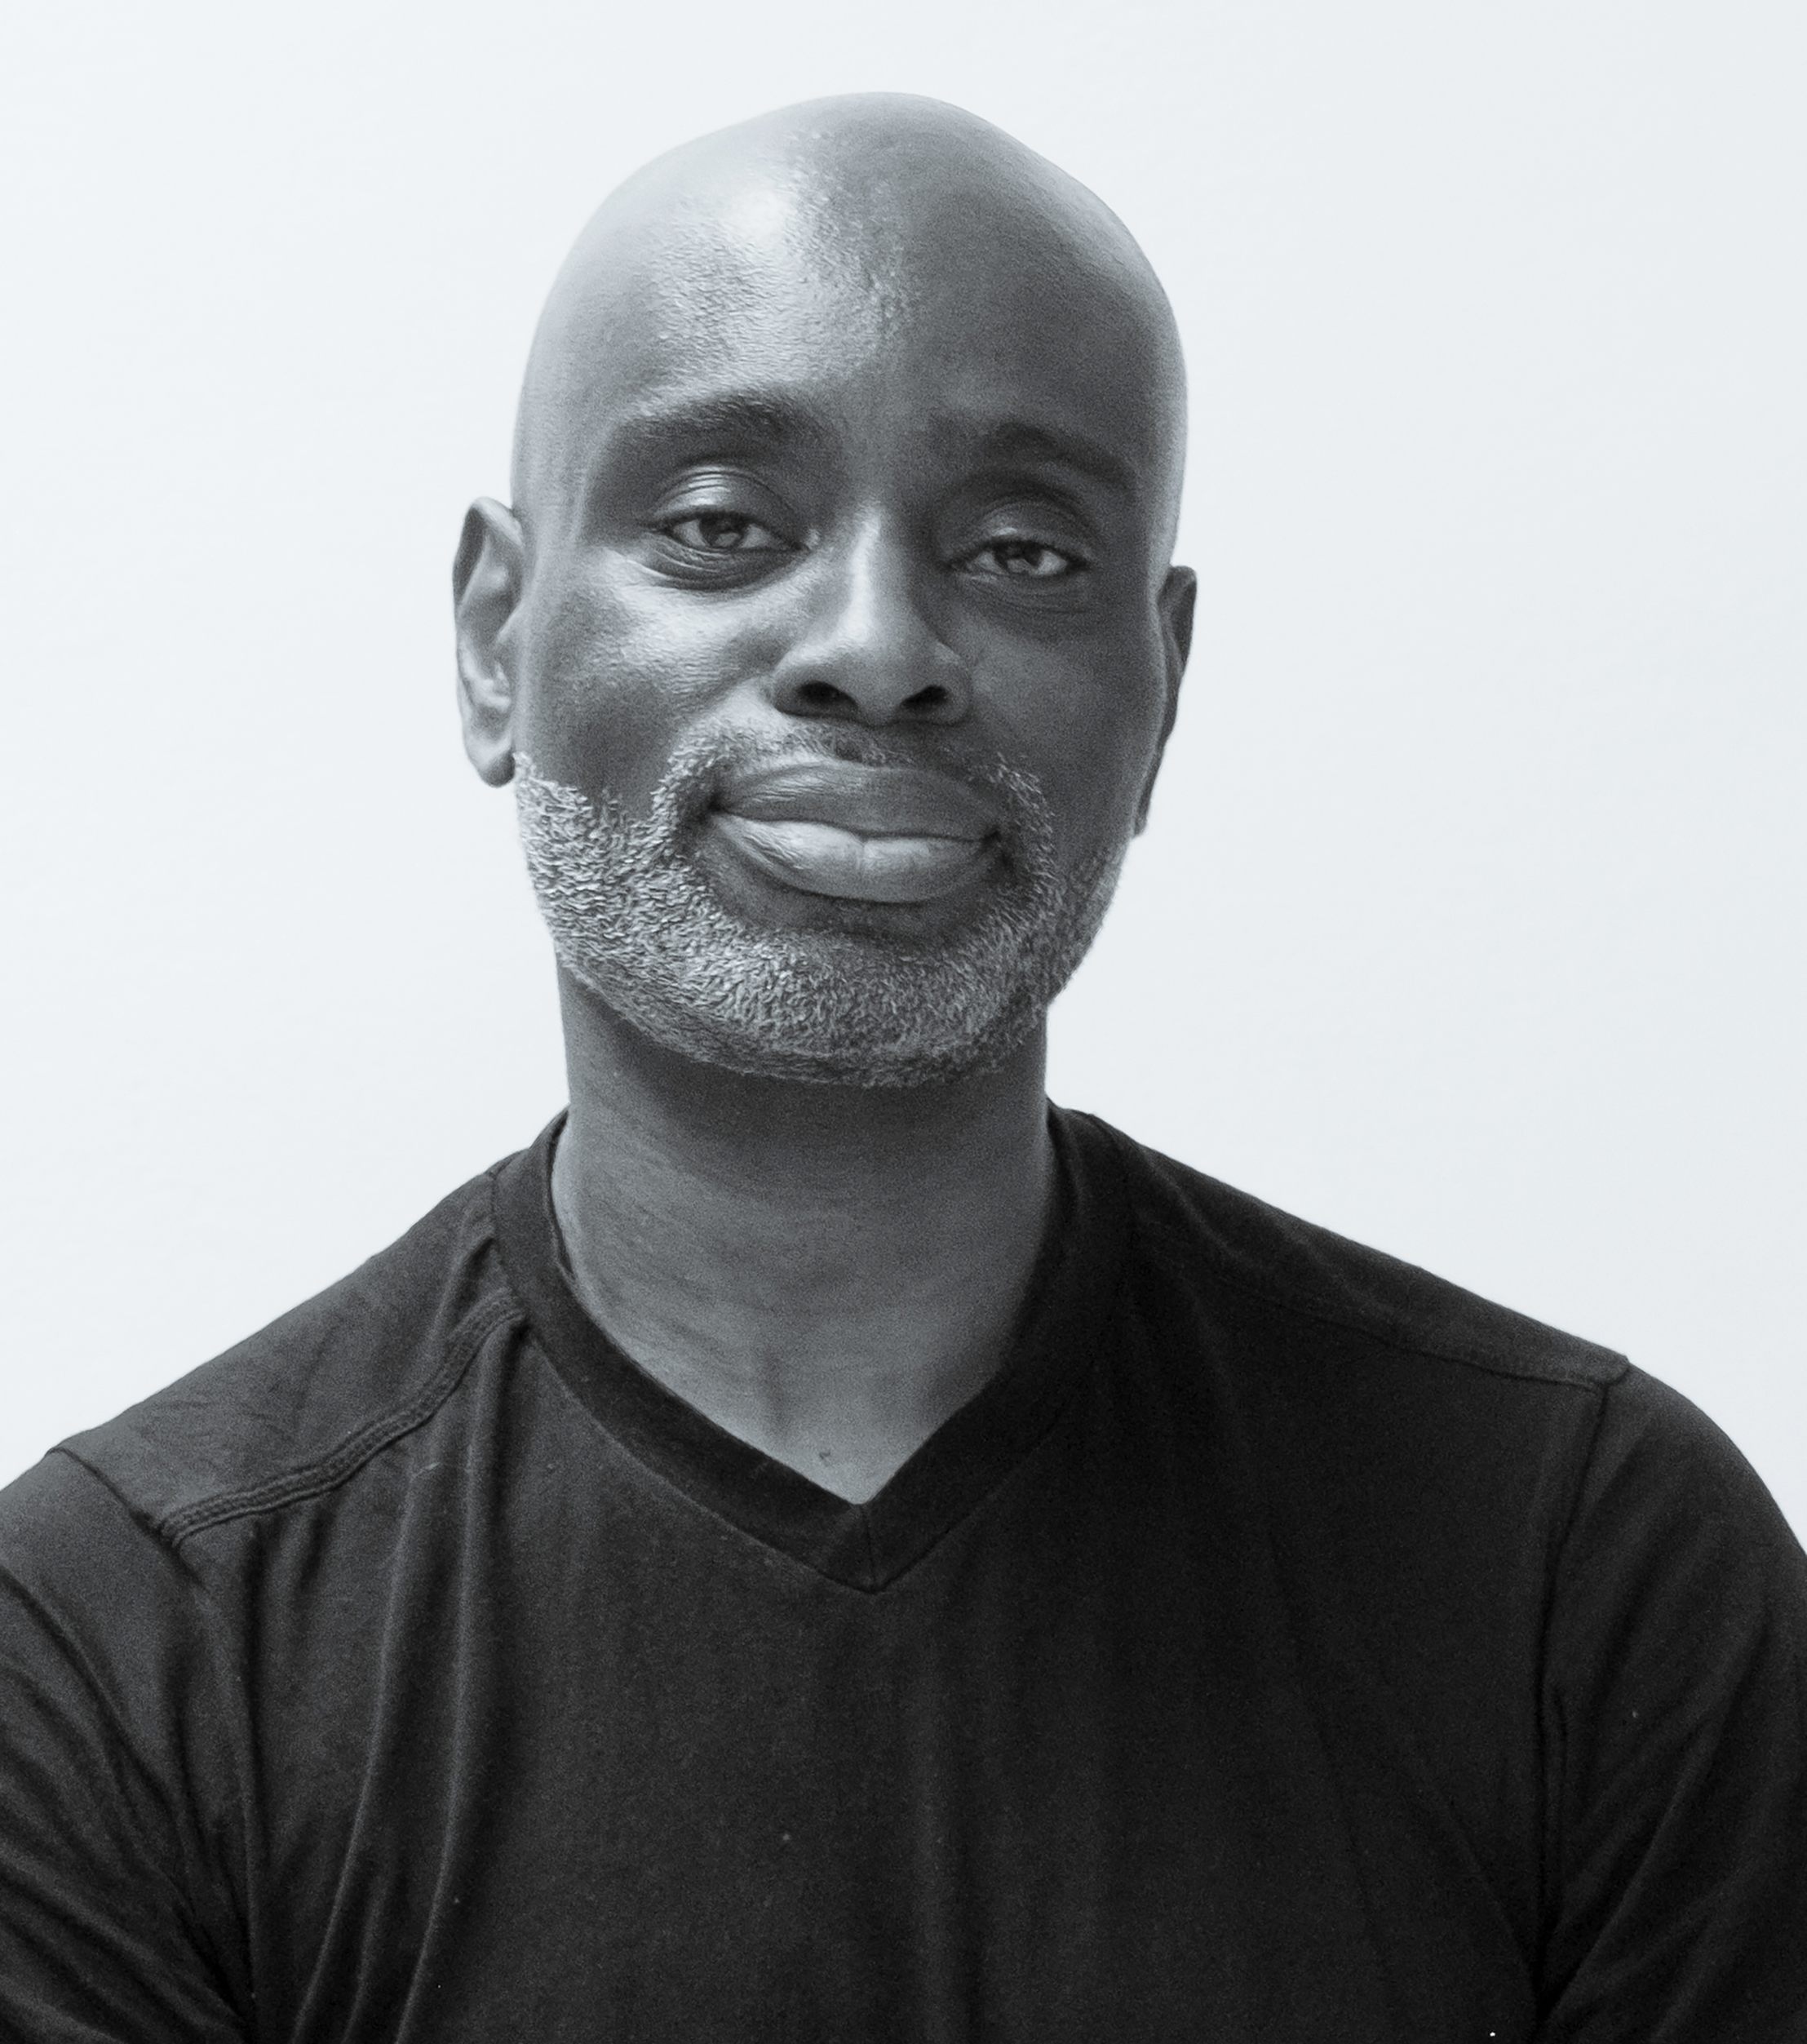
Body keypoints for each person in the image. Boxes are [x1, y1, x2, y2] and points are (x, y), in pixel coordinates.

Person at [1, 94, 1802, 2044]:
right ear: (494, 636)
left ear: (1163, 688)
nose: (874, 647)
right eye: (717, 526)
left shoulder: (1586, 1572)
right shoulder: (124, 1650)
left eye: (1024, 551)